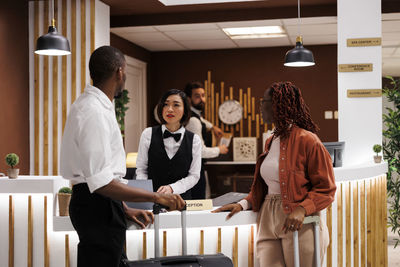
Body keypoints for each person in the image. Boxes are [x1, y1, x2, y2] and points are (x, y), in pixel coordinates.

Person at [60, 46, 185, 267]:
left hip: (101, 203)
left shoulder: (94, 106)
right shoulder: (93, 112)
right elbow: (100, 183)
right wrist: (156, 197)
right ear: (120, 72)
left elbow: (100, 178)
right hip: (95, 205)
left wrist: (123, 208)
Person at [213, 81, 336, 266]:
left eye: (265, 101)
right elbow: (266, 187)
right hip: (268, 217)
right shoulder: (271, 141)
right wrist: (242, 204)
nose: (261, 107)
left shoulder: (308, 140)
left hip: (299, 220)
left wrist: (302, 209)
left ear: (280, 104)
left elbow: (326, 189)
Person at [136, 89, 202, 200]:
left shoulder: (194, 140)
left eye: (176, 105)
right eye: (166, 105)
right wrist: (146, 193)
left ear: (185, 110)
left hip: (182, 202)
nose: (169, 109)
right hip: (152, 201)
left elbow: (194, 176)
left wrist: (172, 188)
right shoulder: (147, 134)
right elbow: (141, 169)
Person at [184, 81, 228, 199]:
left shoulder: (194, 117)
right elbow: (200, 151)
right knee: (200, 203)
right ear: (188, 99)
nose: (202, 99)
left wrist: (212, 127)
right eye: (197, 96)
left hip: (195, 169)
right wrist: (219, 149)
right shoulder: (193, 121)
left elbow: (202, 121)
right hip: (193, 171)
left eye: (203, 95)